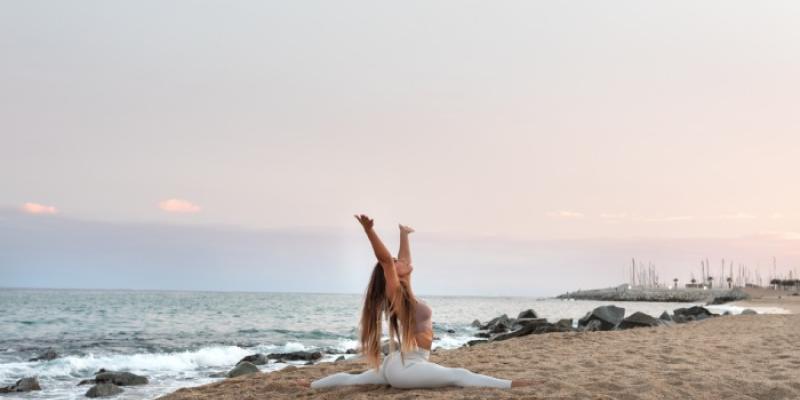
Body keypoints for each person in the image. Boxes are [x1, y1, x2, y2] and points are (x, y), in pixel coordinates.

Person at [310, 214, 532, 390]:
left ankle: (310, 385)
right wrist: (369, 231)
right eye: (397, 262)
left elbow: (403, 260)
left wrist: (404, 235)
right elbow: (386, 260)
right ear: (393, 274)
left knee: (353, 380)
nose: (401, 261)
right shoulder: (396, 294)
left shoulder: (406, 291)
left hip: (399, 362)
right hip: (406, 366)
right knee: (459, 376)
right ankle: (511, 385)